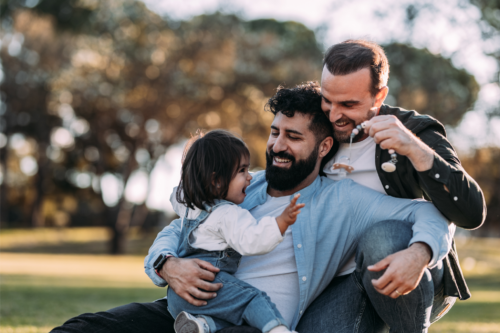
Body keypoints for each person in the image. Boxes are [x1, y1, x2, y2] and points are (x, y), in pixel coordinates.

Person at [51, 83, 453, 333]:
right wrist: (166, 266)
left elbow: (429, 211)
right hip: (189, 309)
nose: (277, 145)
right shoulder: (246, 184)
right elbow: (182, 221)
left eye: (293, 136)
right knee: (82, 328)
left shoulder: (343, 200)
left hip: (255, 323)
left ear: (323, 147)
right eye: (275, 132)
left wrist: (419, 254)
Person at [315, 39, 486, 331]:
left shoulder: (416, 131)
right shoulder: (314, 125)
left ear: (379, 96)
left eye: (349, 104)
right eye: (327, 99)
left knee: (381, 238)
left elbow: (471, 213)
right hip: (339, 279)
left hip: (417, 268)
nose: (333, 115)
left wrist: (416, 150)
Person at [166, 129, 303, 333]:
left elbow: (175, 194)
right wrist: (281, 222)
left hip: (177, 296)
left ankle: (202, 325)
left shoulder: (187, 203)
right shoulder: (227, 214)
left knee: (233, 312)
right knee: (251, 300)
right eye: (242, 171)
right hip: (205, 287)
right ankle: (278, 330)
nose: (250, 178)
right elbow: (253, 240)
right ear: (217, 180)